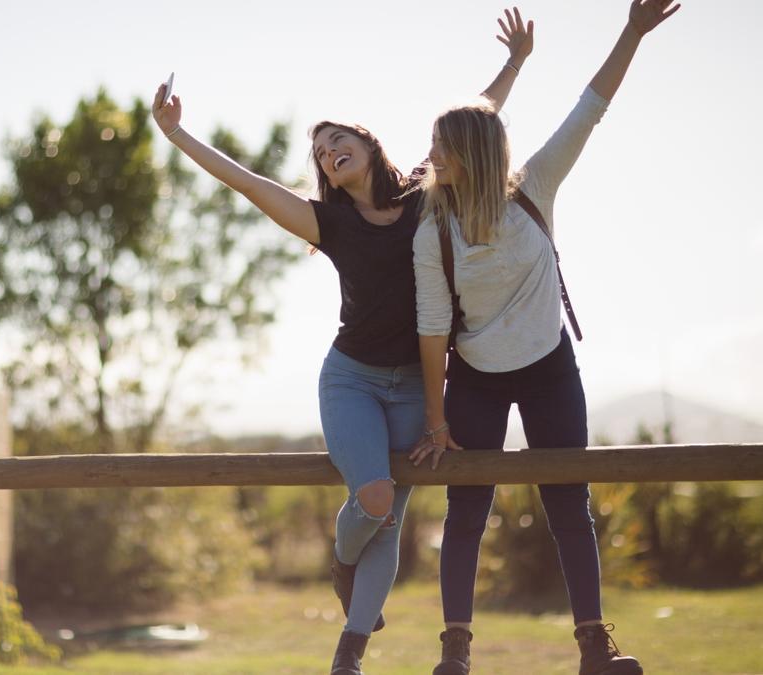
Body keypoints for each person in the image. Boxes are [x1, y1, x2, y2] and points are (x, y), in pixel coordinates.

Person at [150, 10, 533, 674]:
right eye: (321, 150)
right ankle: (342, 557)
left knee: (388, 514)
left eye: (338, 137)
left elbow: (477, 123)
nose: (328, 150)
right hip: (351, 379)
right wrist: (177, 133)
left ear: (366, 141)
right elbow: (244, 182)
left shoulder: (421, 193)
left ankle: (348, 656)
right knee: (375, 501)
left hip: (417, 382)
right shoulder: (326, 221)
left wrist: (516, 61)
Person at [408, 2, 680, 674]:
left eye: (439, 145)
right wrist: (438, 422)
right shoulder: (431, 228)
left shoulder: (534, 187)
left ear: (466, 154)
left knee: (569, 505)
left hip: (549, 368)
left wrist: (632, 33)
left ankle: (594, 649)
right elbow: (434, 330)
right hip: (474, 377)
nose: (430, 155)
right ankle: (455, 655)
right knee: (466, 509)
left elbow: (590, 105)